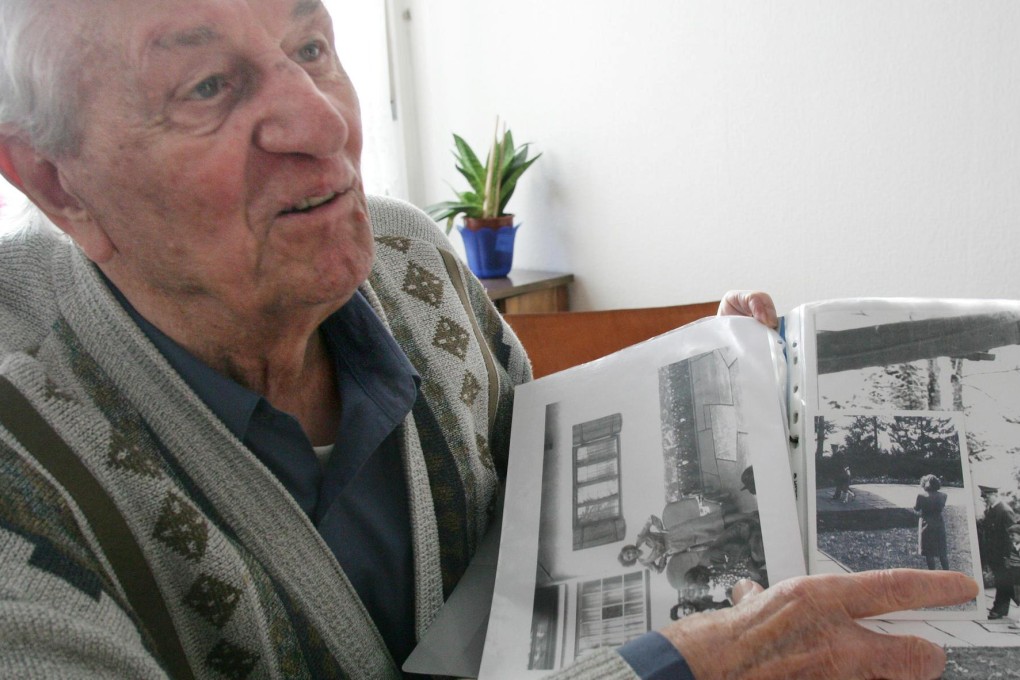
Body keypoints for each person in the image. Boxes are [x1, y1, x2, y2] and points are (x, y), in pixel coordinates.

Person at [0, 1, 977, 678]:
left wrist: (715, 398)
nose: (324, 121)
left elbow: (538, 511)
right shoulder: (20, 454)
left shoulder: (408, 255)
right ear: (55, 181)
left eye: (310, 44)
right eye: (209, 85)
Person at [981, 485, 1018, 620]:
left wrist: (1009, 556)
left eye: (987, 496)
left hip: (1003, 554)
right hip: (994, 553)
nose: (985, 499)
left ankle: (999, 609)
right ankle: (999, 608)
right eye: (984, 497)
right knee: (1002, 581)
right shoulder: (991, 510)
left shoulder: (1004, 510)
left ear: (995, 495)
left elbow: (1012, 536)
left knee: (1004, 582)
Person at [913, 473, 949, 570]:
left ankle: (932, 573)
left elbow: (916, 508)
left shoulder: (921, 496)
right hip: (939, 523)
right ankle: (947, 572)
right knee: (942, 551)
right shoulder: (944, 495)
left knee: (929, 552)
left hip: (926, 524)